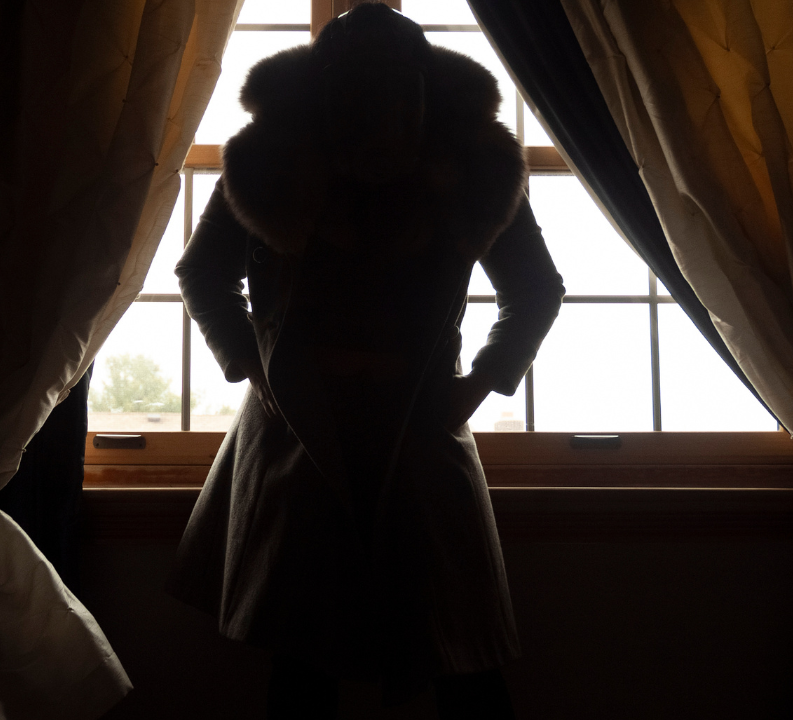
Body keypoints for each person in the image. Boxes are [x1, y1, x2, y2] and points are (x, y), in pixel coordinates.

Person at [166, 4, 564, 717]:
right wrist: (256, 369)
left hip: (420, 425)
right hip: (298, 431)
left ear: (423, 88)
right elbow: (202, 273)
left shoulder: (470, 165)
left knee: (457, 649)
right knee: (302, 655)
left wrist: (476, 387)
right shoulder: (270, 160)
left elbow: (535, 289)